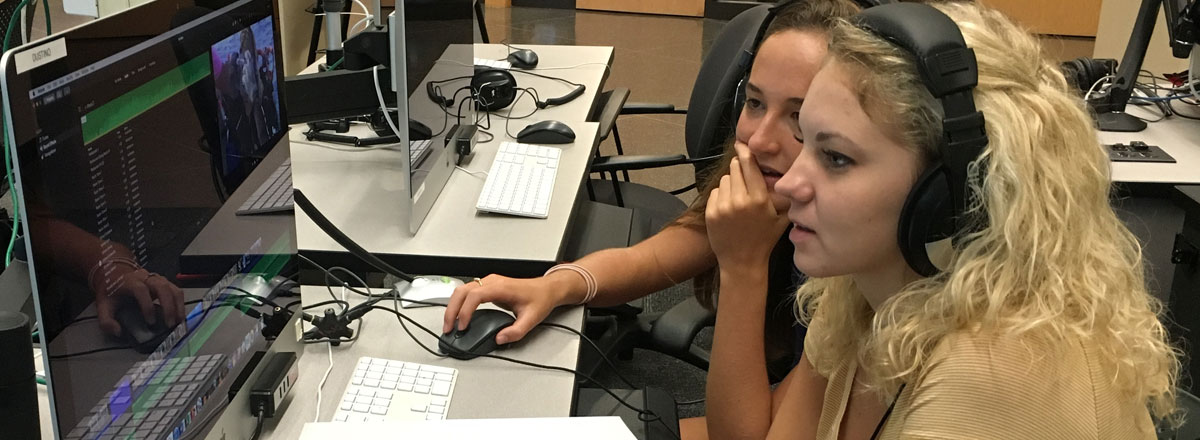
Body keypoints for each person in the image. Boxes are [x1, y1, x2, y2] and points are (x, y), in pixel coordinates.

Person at [702, 2, 1180, 438]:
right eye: (806, 141)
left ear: (949, 194)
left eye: (836, 158)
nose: (789, 185)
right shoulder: (865, 288)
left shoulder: (995, 372)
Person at [443, 0, 860, 437]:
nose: (757, 139)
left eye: (798, 116)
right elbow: (655, 260)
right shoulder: (759, 194)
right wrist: (554, 285)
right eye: (754, 103)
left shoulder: (858, 269)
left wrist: (744, 268)